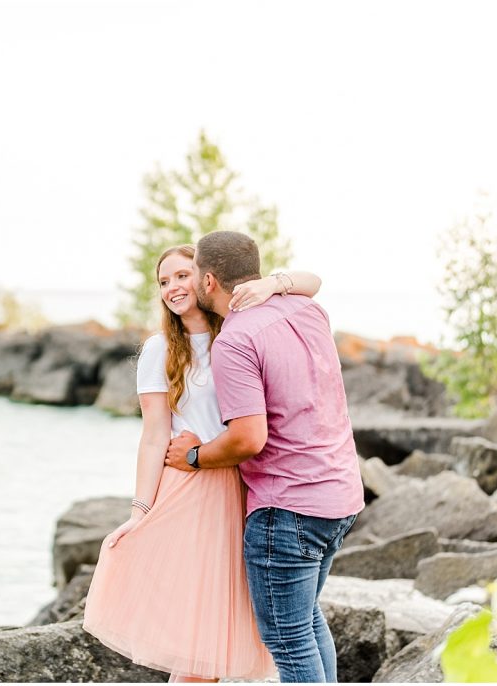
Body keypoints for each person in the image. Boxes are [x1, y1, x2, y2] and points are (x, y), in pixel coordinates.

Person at [81, 244, 323, 683]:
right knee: (196, 647)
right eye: (163, 282)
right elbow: (155, 434)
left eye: (180, 275)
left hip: (240, 489)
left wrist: (271, 283)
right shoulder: (159, 351)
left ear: (205, 278)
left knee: (215, 641)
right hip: (190, 492)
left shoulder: (239, 328)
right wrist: (140, 511)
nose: (172, 287)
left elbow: (312, 284)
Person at [164, 231, 365, 683]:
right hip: (341, 497)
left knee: (289, 642)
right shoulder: (308, 310)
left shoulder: (234, 341)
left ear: (209, 280)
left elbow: (249, 439)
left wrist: (194, 456)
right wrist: (278, 283)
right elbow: (310, 282)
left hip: (288, 510)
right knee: (307, 623)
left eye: (192, 272)